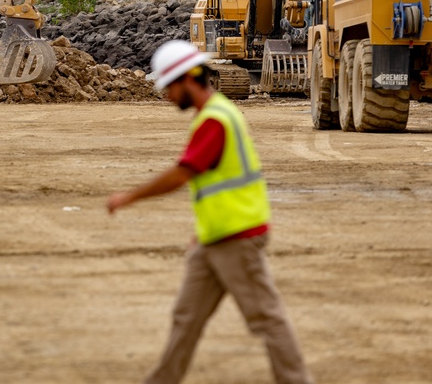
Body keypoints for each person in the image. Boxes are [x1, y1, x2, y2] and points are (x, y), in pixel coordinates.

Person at [107, 39, 313, 384]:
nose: (167, 96)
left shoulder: (215, 120)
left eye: (169, 87)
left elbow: (182, 173)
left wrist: (129, 197)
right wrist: (200, 233)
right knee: (186, 317)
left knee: (266, 317)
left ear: (188, 79)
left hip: (237, 236)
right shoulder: (213, 115)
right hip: (214, 236)